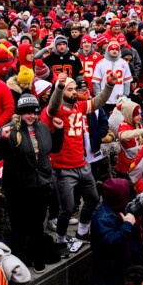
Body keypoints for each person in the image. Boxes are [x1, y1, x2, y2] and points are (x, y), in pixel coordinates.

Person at [45, 73, 117, 242]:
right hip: (64, 167)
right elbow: (53, 106)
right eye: (69, 90)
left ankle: (82, 231)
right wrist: (60, 87)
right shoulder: (57, 110)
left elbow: (98, 101)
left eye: (74, 89)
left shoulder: (80, 106)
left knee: (92, 199)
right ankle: (61, 239)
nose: (74, 92)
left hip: (82, 163)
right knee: (67, 209)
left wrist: (109, 85)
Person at [0, 93, 62, 270]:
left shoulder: (42, 128)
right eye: (27, 113)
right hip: (17, 188)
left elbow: (54, 148)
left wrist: (59, 131)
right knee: (19, 226)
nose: (31, 116)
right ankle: (23, 258)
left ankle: (37, 256)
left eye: (34, 112)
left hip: (40, 186)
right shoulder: (10, 129)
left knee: (37, 224)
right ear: (20, 113)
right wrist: (2, 139)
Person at [91, 178, 141, 285]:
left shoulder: (117, 209)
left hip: (122, 273)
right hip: (108, 278)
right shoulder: (102, 218)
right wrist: (128, 225)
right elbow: (110, 241)